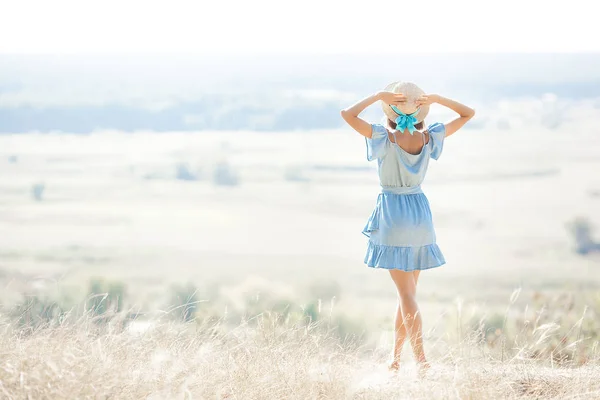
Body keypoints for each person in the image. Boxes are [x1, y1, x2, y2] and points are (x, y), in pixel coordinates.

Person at [340, 81, 475, 376]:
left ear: (388, 111)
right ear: (422, 110)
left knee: (406, 295)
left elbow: (347, 115)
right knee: (408, 293)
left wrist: (377, 95)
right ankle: (395, 358)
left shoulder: (383, 137)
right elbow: (468, 113)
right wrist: (438, 99)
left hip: (394, 216)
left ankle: (422, 360)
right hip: (420, 215)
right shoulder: (429, 136)